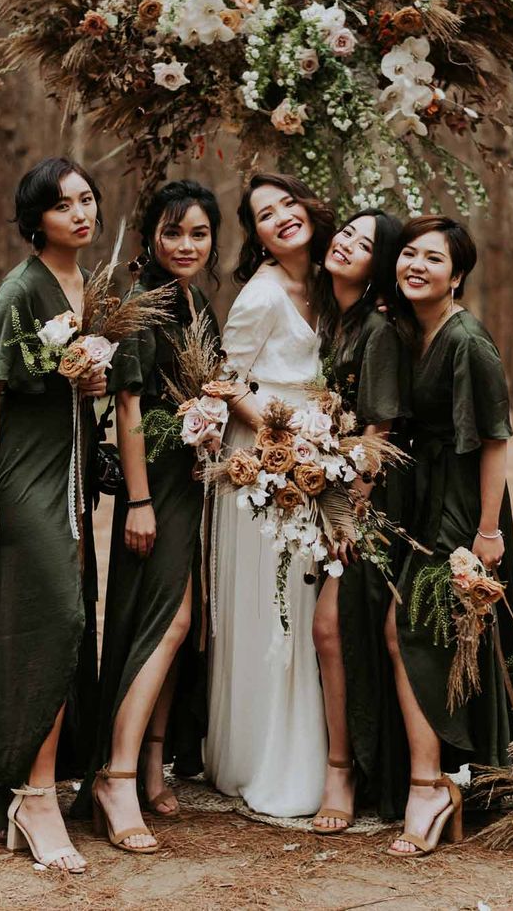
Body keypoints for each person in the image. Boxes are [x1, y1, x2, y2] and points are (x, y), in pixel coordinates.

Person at [0, 157, 107, 873]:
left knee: (73, 611)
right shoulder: (20, 292)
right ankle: (34, 796)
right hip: (21, 478)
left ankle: (39, 776)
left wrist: (92, 379)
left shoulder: (86, 287)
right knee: (60, 616)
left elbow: (68, 386)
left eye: (87, 199)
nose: (81, 213)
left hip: (70, 475)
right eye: (62, 204)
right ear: (35, 220)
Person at [86, 180, 221, 853]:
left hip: (193, 479)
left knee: (185, 623)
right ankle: (114, 776)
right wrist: (138, 499)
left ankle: (149, 760)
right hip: (156, 486)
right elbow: (132, 409)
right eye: (173, 233)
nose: (186, 245)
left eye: (198, 233)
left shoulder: (199, 302)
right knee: (165, 623)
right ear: (151, 239)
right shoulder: (142, 304)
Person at [385, 214, 513, 857]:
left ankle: (429, 786)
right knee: (418, 629)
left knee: (409, 626)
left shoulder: (469, 341)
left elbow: (494, 439)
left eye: (433, 258)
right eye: (408, 253)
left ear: (457, 274)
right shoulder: (415, 331)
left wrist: (487, 530)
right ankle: (434, 779)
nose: (416, 265)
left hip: (466, 506)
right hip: (428, 495)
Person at [205, 172, 335, 817]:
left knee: (314, 599)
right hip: (262, 464)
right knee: (276, 602)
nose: (282, 217)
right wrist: (286, 439)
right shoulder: (260, 296)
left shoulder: (333, 284)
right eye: (264, 214)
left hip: (318, 458)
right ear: (254, 236)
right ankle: (264, 755)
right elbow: (227, 382)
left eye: (288, 202)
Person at [311, 209, 411, 834]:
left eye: (365, 244)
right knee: (331, 630)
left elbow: (378, 430)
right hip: (332, 497)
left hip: (371, 502)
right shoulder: (335, 322)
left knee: (331, 627)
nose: (346, 244)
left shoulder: (376, 331)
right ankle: (346, 763)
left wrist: (351, 516)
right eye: (345, 232)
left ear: (380, 266)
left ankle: (344, 770)